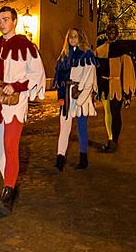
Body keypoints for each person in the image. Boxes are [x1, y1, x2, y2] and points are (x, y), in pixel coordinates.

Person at [0, 6, 46, 213]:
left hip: (15, 104)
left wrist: (18, 85)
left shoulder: (26, 46)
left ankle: (7, 193)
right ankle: (9, 187)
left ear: (14, 21)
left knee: (10, 145)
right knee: (0, 149)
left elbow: (37, 74)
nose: (2, 22)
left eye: (5, 19)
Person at [53, 27, 98, 171]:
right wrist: (60, 97)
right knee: (64, 128)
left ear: (80, 38)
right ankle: (60, 158)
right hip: (67, 95)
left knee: (81, 128)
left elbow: (89, 78)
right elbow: (60, 79)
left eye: (75, 36)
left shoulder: (87, 55)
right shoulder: (64, 57)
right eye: (70, 37)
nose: (72, 39)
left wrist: (83, 95)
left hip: (80, 95)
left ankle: (83, 159)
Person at [96, 23, 136, 152]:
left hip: (116, 86)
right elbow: (96, 71)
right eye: (109, 31)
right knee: (107, 113)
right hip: (104, 85)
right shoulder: (100, 50)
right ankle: (110, 138)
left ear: (117, 33)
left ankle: (114, 141)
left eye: (113, 31)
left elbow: (128, 72)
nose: (111, 33)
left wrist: (127, 92)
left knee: (115, 113)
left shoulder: (122, 50)